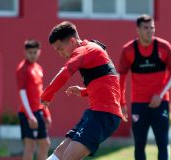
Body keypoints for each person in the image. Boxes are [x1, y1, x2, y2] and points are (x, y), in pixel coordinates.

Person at [41, 21, 124, 160]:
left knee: (68, 157)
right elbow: (110, 80)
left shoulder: (84, 50)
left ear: (72, 41)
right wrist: (85, 91)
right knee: (60, 152)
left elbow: (66, 72)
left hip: (104, 114)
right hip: (95, 113)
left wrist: (46, 95)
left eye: (60, 48)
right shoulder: (92, 49)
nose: (60, 54)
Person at [118, 14, 171, 160]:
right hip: (139, 105)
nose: (150, 31)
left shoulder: (164, 47)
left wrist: (161, 94)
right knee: (139, 145)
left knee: (163, 143)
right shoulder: (128, 50)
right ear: (137, 30)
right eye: (146, 28)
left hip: (161, 102)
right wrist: (121, 102)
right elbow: (122, 76)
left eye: (152, 27)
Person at [16, 39, 52, 160]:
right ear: (25, 52)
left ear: (39, 52)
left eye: (35, 52)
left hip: (39, 111)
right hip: (27, 113)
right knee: (30, 146)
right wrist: (30, 115)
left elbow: (40, 93)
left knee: (45, 144)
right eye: (30, 52)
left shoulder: (39, 68)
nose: (33, 55)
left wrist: (46, 112)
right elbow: (22, 93)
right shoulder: (22, 69)